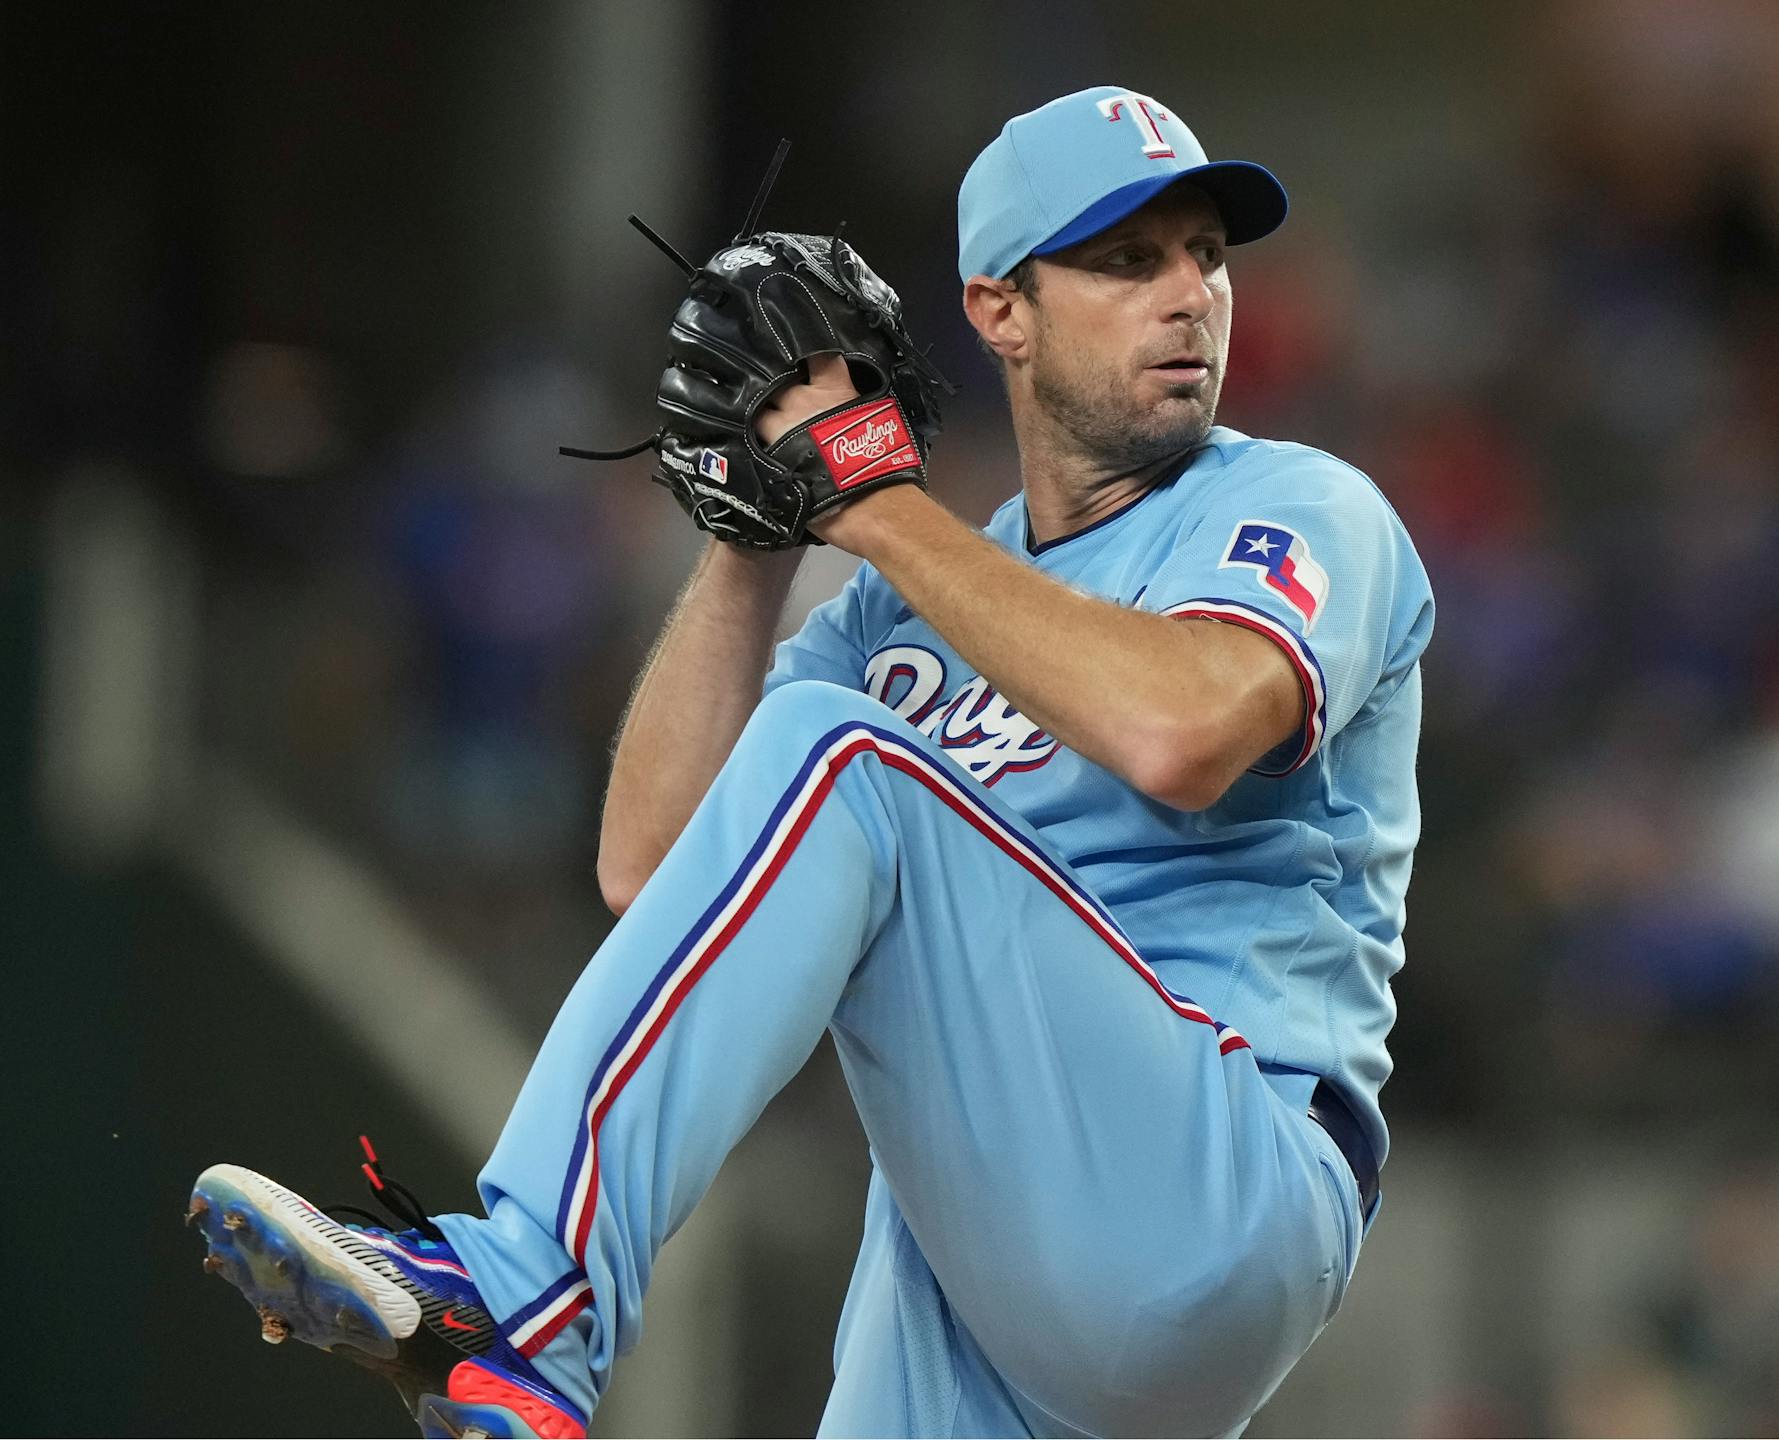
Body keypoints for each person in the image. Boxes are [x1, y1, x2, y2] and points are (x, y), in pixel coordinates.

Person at [188, 85, 1432, 1438]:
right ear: (1001, 308)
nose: (1189, 294)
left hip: (1218, 1184)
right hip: (984, 1258)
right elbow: (656, 877)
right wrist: (754, 531)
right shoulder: (904, 608)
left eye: (1206, 254)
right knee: (830, 762)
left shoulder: (1297, 504)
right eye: (1128, 259)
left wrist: (873, 500)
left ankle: (524, 1296)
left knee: (844, 755)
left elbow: (1182, 733)